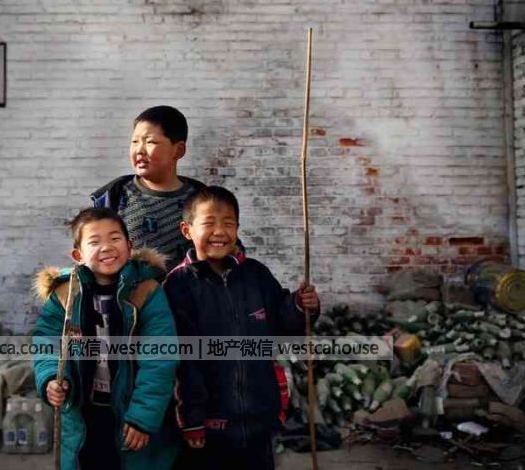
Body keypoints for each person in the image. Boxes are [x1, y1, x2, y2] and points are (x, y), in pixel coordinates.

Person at [164, 186, 321, 470]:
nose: (220, 232)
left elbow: (283, 325)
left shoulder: (256, 274)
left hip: (260, 415)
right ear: (187, 230)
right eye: (209, 222)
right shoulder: (178, 285)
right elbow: (182, 361)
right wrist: (192, 419)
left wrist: (301, 305)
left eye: (228, 223)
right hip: (210, 424)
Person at [32, 207, 180, 470]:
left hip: (131, 412)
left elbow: (160, 358)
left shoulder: (146, 291)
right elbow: (47, 342)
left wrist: (142, 417)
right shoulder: (66, 294)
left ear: (129, 245)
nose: (107, 247)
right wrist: (51, 378)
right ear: (78, 255)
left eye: (115, 238)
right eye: (94, 241)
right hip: (83, 412)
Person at [91, 105, 205, 272]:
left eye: (150, 142)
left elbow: (227, 251)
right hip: (130, 288)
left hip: (187, 288)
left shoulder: (202, 200)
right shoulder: (114, 196)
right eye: (135, 142)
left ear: (178, 150)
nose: (139, 150)